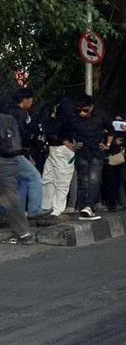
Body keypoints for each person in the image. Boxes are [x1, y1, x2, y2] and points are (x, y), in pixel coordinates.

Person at [67, 95, 113, 220]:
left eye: (85, 110)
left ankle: (89, 206)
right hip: (82, 153)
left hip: (97, 152)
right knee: (83, 181)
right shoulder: (73, 119)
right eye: (80, 110)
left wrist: (107, 144)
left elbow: (111, 129)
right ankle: (83, 206)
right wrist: (73, 146)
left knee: (94, 180)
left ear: (91, 108)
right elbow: (63, 134)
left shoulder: (100, 116)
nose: (82, 113)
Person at [7, 88, 48, 218]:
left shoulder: (8, 111)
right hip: (15, 152)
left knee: (22, 181)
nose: (32, 102)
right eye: (31, 100)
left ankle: (18, 212)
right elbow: (21, 134)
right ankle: (34, 210)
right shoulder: (21, 113)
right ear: (25, 100)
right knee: (34, 177)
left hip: (7, 152)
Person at [39, 96, 77, 218]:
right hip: (59, 149)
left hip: (59, 149)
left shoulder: (60, 120)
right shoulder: (69, 119)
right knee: (53, 179)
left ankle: (54, 209)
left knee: (55, 180)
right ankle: (51, 208)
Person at [0, 112, 33, 244]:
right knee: (9, 195)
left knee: (9, 197)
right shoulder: (9, 118)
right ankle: (23, 232)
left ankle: (24, 233)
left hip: (2, 160)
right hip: (13, 159)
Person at [101, 116, 126, 210]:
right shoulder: (108, 131)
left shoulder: (125, 133)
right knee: (111, 182)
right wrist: (114, 142)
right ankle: (112, 203)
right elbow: (104, 144)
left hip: (123, 159)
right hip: (110, 159)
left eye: (120, 121)